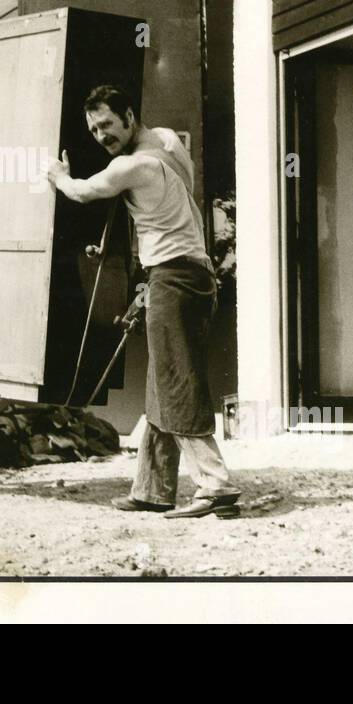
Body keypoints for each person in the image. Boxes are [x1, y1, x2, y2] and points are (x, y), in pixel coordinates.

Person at [45, 84, 239, 519]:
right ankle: (152, 489)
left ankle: (216, 484)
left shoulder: (131, 166)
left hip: (173, 276)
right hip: (192, 273)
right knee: (162, 380)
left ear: (129, 116)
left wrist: (57, 175)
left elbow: (82, 191)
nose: (101, 135)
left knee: (177, 380)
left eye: (108, 124)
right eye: (94, 129)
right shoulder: (168, 141)